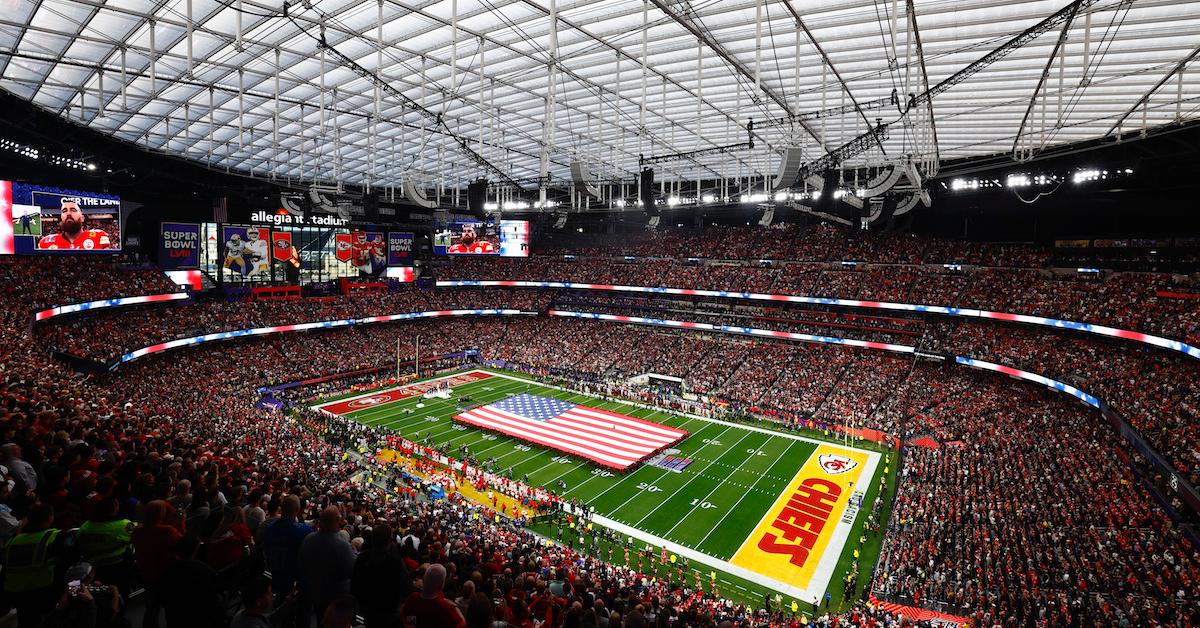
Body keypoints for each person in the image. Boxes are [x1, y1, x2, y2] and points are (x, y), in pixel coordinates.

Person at [2, 503, 64, 627]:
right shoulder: (55, 536)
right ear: (50, 518)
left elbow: (4, 571)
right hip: (44, 593)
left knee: (26, 622)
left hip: (16, 595)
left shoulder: (11, 541)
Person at [299, 506, 355, 624]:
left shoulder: (308, 539)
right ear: (336, 521)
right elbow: (351, 572)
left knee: (321, 618)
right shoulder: (343, 546)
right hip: (336, 597)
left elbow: (303, 565)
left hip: (314, 591)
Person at [351, 523, 413, 628]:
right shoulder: (395, 561)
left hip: (366, 611)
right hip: (389, 614)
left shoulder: (362, 558)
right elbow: (407, 588)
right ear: (389, 541)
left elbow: (354, 585)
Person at [399, 564, 466, 627]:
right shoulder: (446, 607)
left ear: (424, 579)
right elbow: (462, 624)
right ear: (442, 584)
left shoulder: (412, 599)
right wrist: (456, 608)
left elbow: (409, 624)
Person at [37, 197, 112, 250]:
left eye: (73, 210)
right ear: (61, 218)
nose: (68, 213)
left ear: (82, 218)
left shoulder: (99, 236)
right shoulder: (45, 242)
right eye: (64, 211)